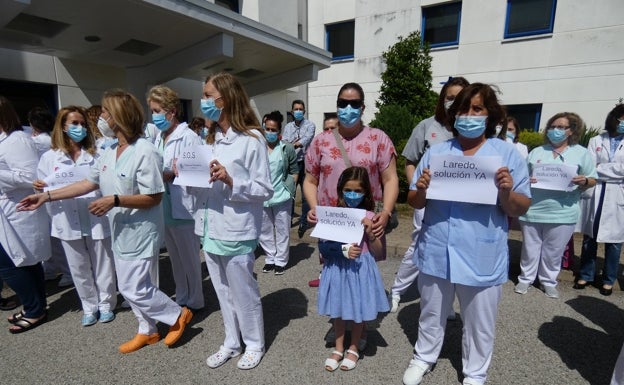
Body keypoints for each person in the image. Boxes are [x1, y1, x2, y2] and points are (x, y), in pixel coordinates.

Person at [18, 89, 193, 352]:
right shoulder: (110, 151)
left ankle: (176, 314)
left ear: (118, 117)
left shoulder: (144, 150)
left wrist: (115, 200)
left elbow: (154, 197)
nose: (100, 119)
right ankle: (147, 330)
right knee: (131, 285)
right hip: (120, 229)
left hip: (141, 230)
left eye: (105, 113)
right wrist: (47, 196)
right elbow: (88, 183)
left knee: (133, 288)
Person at [402, 83, 531, 385]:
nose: (468, 115)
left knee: (479, 321)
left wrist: (506, 191)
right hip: (438, 247)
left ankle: (475, 373)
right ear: (453, 113)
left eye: (477, 109)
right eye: (463, 108)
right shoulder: (437, 153)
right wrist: (420, 188)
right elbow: (414, 201)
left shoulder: (505, 154)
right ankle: (424, 357)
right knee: (431, 311)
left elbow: (520, 207)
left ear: (490, 115)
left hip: (481, 251)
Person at [196, 73, 273, 370]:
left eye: (207, 95)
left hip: (237, 227)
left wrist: (231, 180)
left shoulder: (251, 140)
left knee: (244, 291)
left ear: (224, 98)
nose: (203, 101)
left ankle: (254, 343)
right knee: (222, 291)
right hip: (210, 225)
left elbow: (264, 190)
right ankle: (231, 341)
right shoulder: (211, 140)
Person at [388, 76, 469, 313]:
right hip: (428, 200)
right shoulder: (427, 126)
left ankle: (447, 303)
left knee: (454, 248)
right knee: (419, 245)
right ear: (442, 99)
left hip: (461, 204)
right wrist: (418, 186)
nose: (453, 102)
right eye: (449, 97)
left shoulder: (473, 132)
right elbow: (410, 161)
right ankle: (397, 291)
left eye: (459, 98)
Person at [34, 105, 117, 326]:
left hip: (95, 213)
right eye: (74, 123)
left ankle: (107, 303)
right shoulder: (49, 158)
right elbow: (43, 190)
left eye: (82, 123)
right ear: (62, 126)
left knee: (103, 262)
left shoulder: (97, 152)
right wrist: (40, 187)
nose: (79, 127)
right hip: (67, 218)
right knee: (78, 266)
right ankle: (89, 306)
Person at [515, 112, 597, 299]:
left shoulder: (581, 153)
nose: (555, 130)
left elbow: (593, 179)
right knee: (530, 247)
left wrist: (583, 180)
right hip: (533, 209)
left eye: (560, 127)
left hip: (563, 211)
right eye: (552, 126)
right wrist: (528, 180)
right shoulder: (537, 152)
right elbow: (521, 178)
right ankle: (525, 278)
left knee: (554, 250)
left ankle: (548, 281)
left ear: (571, 131)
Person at [315, 166, 389, 371]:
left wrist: (371, 234)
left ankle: (354, 347)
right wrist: (341, 249)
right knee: (337, 309)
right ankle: (339, 348)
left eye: (358, 191)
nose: (353, 194)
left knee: (357, 308)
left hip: (360, 268)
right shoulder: (333, 214)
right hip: (338, 267)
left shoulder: (370, 216)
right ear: (340, 190)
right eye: (348, 189)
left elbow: (377, 251)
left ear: (365, 191)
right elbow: (323, 245)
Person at [148, 85, 204, 311]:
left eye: (157, 110)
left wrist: (173, 174)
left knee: (190, 258)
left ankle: (196, 299)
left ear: (171, 112)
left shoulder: (189, 137)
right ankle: (182, 296)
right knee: (175, 258)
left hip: (184, 206)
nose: (154, 116)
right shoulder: (159, 137)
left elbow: (199, 174)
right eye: (151, 111)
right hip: (165, 207)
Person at [0, 95, 51, 333]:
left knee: (10, 264)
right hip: (9, 211)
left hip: (19, 209)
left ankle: (34, 309)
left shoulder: (16, 140)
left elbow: (31, 177)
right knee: (26, 262)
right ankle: (36, 306)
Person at [575, 104, 624, 296]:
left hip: (617, 195)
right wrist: (613, 170)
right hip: (595, 192)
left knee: (615, 241)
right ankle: (586, 274)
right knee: (589, 237)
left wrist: (601, 169)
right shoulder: (596, 139)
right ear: (614, 119)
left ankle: (609, 279)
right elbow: (589, 167)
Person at [28, 106, 74, 287]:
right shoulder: (47, 144)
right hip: (48, 193)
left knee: (56, 237)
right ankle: (54, 269)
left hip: (52, 194)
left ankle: (65, 272)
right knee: (54, 236)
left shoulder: (38, 142)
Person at [259, 111, 298, 275]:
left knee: (282, 229)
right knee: (263, 230)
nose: (270, 132)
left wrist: (290, 186)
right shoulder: (257, 146)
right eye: (267, 129)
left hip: (281, 196)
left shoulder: (286, 148)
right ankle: (270, 258)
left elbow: (294, 170)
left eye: (273, 130)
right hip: (261, 196)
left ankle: (281, 260)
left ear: (279, 131)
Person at [282, 99, 315, 238]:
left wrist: (294, 144)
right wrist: (291, 145)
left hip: (306, 163)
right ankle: (287, 220)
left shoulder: (310, 125)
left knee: (307, 194)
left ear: (304, 111)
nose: (298, 111)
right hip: (292, 163)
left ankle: (303, 221)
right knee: (291, 192)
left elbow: (305, 140)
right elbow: (284, 141)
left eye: (301, 109)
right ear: (292, 111)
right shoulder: (288, 126)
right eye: (296, 109)